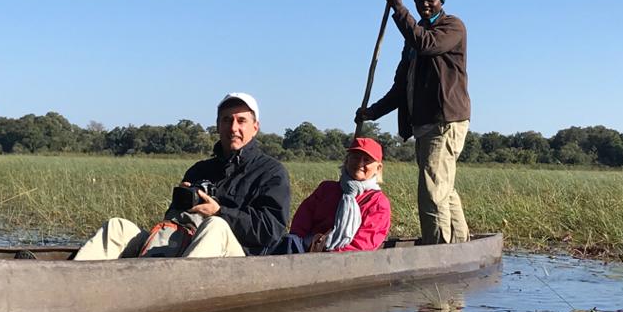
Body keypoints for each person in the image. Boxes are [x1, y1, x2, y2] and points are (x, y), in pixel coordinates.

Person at [75, 92, 290, 259]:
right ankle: (70, 284)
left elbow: (271, 231)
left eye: (241, 120)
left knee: (215, 225)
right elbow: (171, 219)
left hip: (236, 258)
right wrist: (181, 205)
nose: (233, 127)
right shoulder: (200, 169)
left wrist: (220, 212)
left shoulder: (271, 172)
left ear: (255, 127)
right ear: (218, 125)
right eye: (226, 120)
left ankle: (170, 292)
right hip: (184, 244)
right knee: (117, 227)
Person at [356, 0, 470, 245]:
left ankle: (438, 250)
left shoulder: (452, 27)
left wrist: (398, 8)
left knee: (431, 190)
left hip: (444, 121)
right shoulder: (412, 39)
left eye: (430, 0)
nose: (425, 5)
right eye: (420, 0)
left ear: (441, 2)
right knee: (443, 187)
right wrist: (372, 112)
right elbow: (400, 88)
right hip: (424, 124)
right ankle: (460, 245)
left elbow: (427, 44)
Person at [276, 137, 391, 253]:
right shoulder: (326, 189)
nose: (360, 163)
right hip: (308, 250)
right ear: (347, 160)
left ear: (378, 168)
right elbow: (301, 222)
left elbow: (363, 244)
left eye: (366, 160)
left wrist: (330, 259)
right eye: (355, 157)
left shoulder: (378, 202)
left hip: (346, 261)